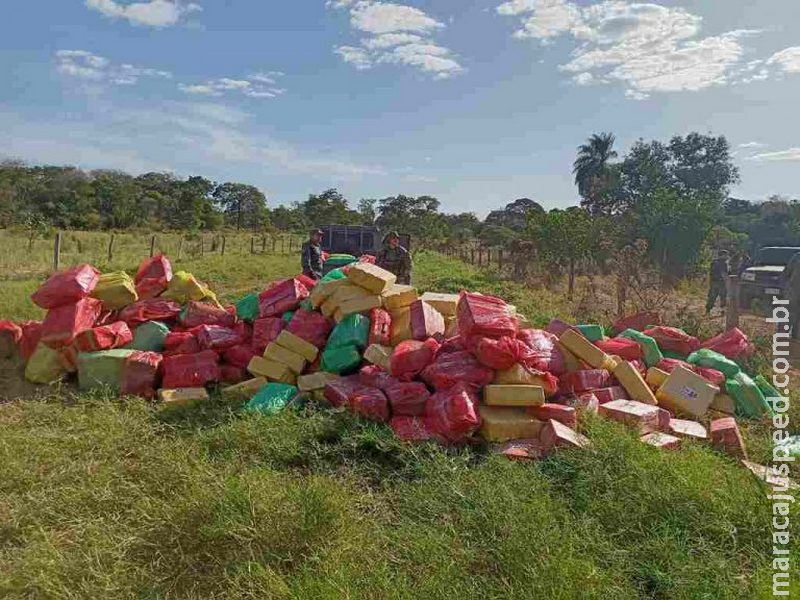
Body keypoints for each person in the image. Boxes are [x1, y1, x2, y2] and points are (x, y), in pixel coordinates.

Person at [706, 250, 730, 314]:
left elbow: (710, 273)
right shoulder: (724, 263)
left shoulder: (713, 262)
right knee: (723, 297)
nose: (727, 256)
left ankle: (708, 310)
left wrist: (710, 282)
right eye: (726, 255)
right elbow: (724, 274)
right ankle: (723, 310)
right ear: (723, 255)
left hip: (713, 282)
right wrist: (727, 282)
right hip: (721, 283)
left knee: (712, 297)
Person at [783, 251, 800, 339]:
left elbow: (786, 273)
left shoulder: (797, 256)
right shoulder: (797, 257)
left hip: (793, 292)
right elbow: (786, 273)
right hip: (794, 292)